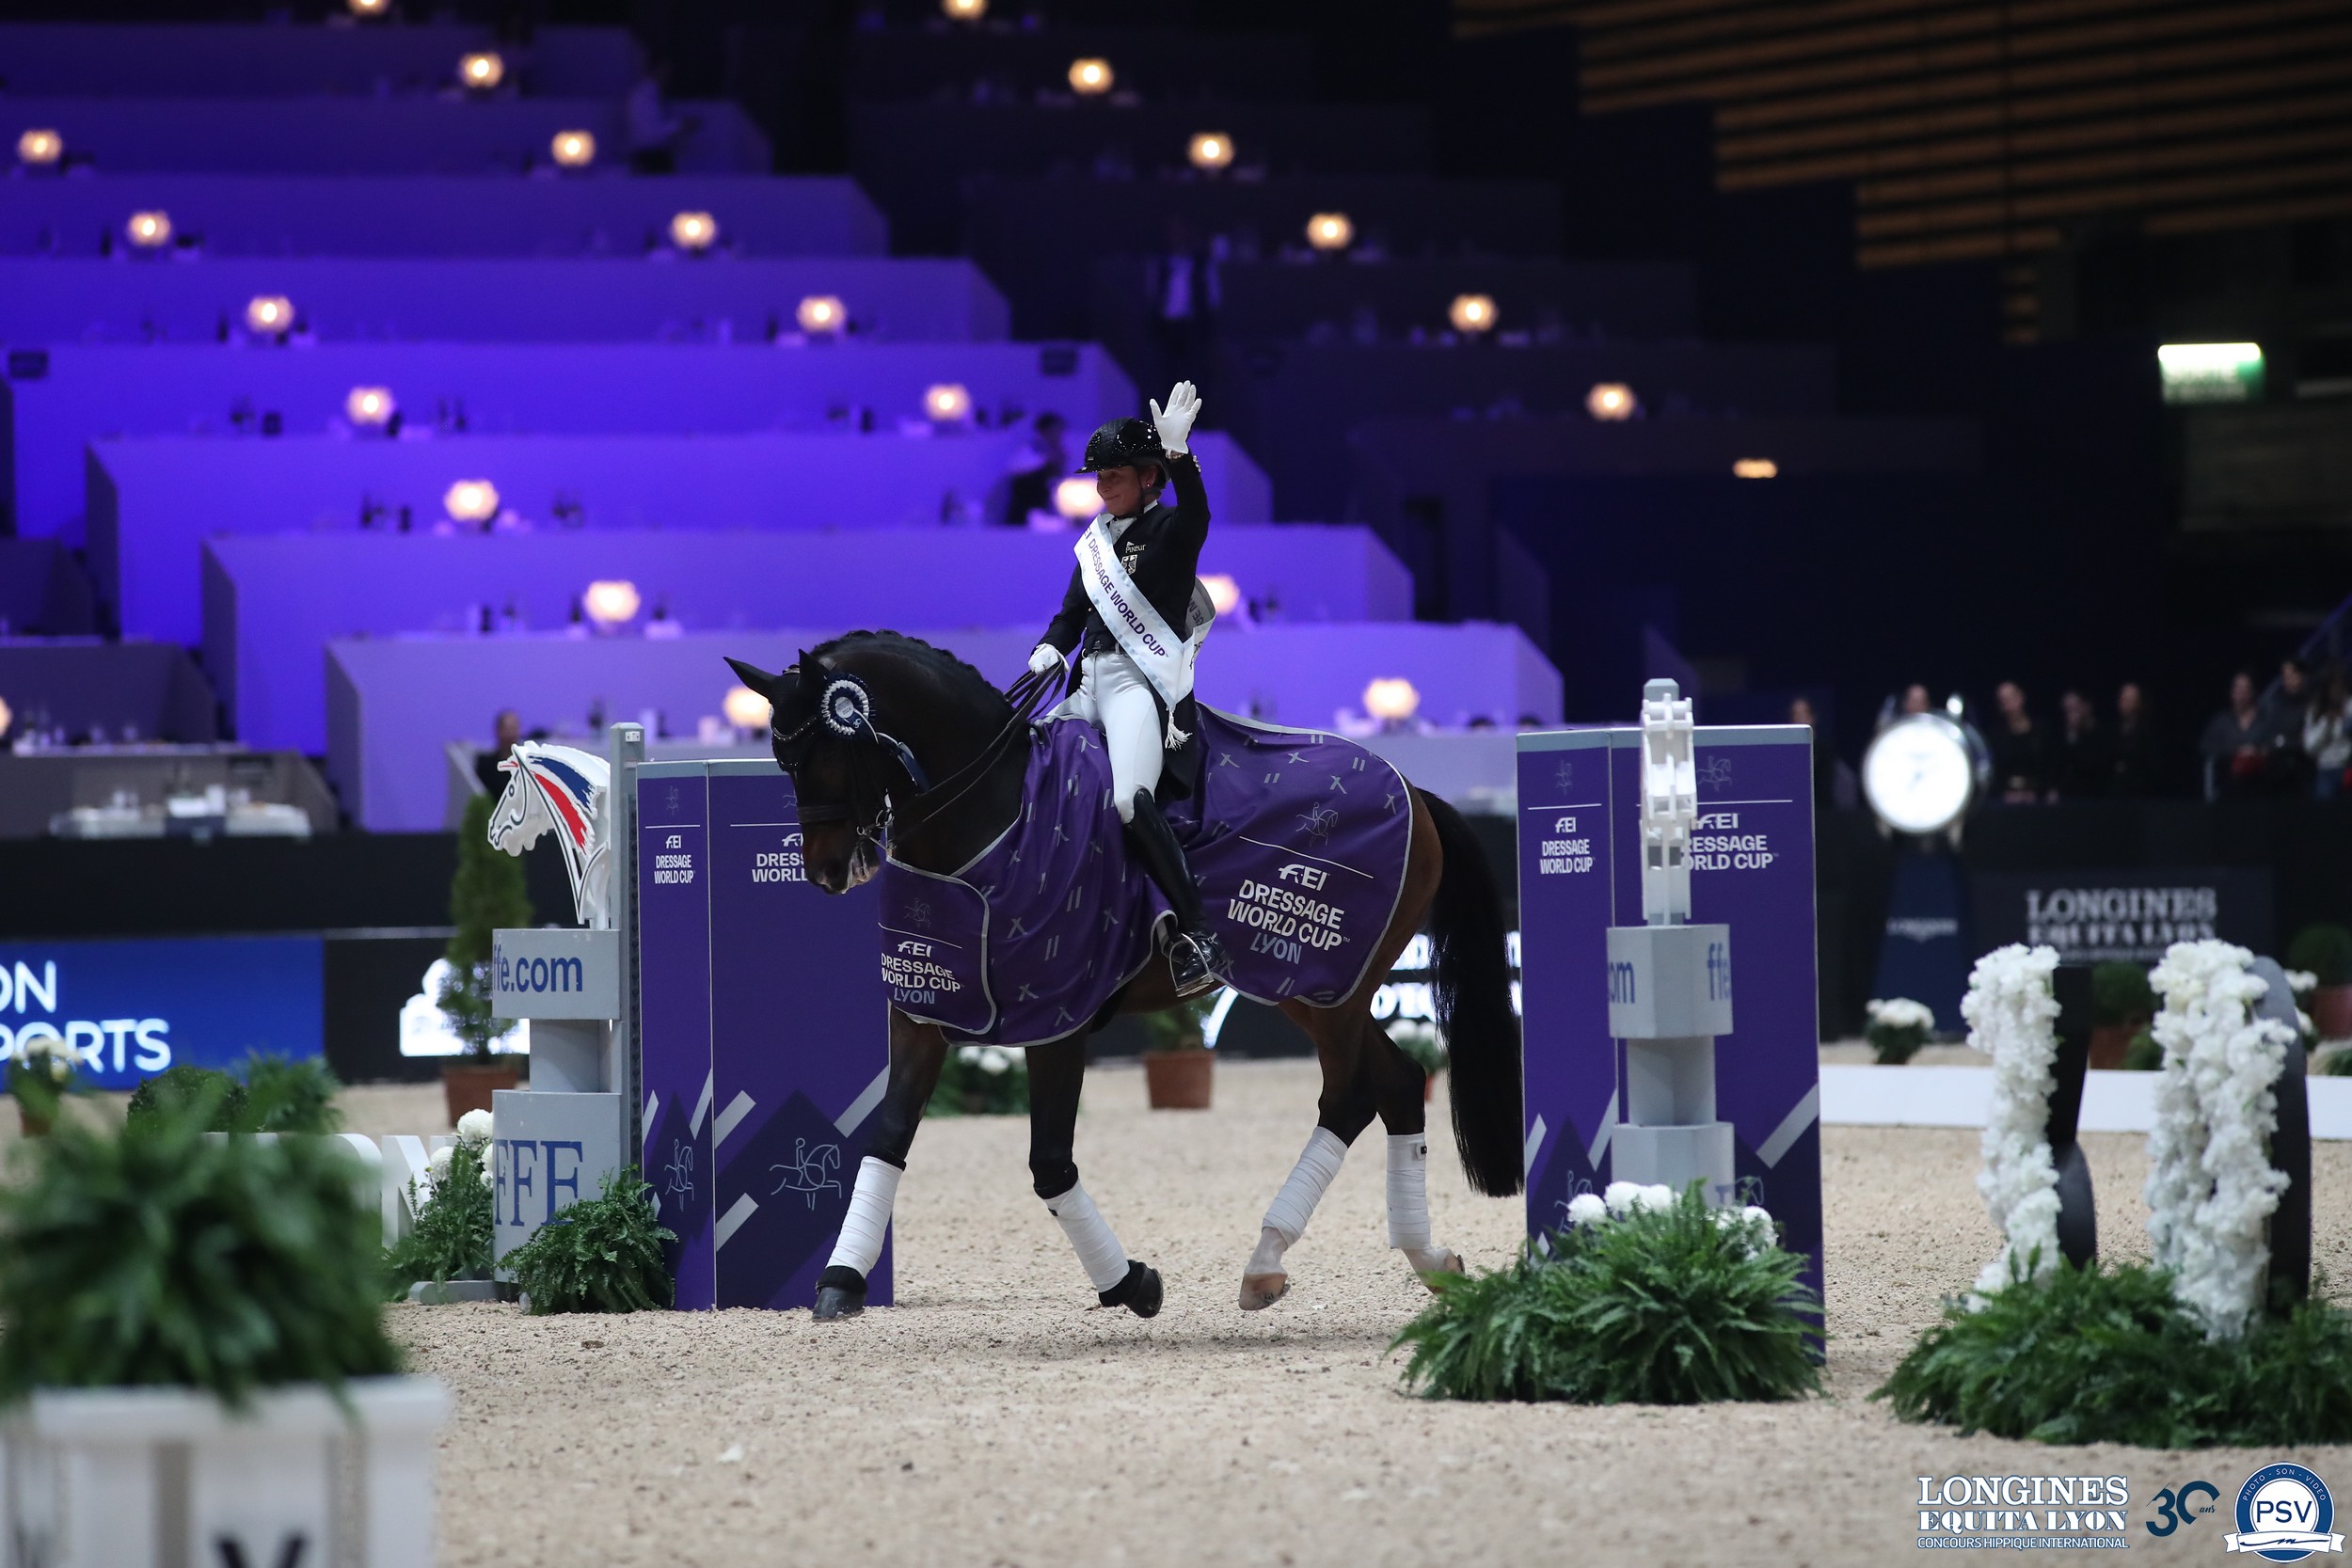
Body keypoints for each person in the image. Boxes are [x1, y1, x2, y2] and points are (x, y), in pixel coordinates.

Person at [1029, 382, 1230, 997]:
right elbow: (1070, 614)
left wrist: (1180, 456)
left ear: (1147, 478)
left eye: (1113, 476)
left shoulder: (1171, 529)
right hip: (1085, 678)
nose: (1101, 487)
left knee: (1127, 801)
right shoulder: (1096, 543)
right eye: (1098, 477)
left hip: (1136, 682)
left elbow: (1198, 513)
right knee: (1026, 770)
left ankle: (1197, 932)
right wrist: (1047, 648)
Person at [2199, 671, 2267, 800]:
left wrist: (2258, 752)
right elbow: (2205, 747)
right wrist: (2236, 752)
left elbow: (2272, 745)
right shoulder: (2221, 721)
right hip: (2227, 789)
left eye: (2245, 688)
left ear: (2252, 691)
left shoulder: (2263, 721)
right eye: (2237, 688)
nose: (2240, 693)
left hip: (2258, 787)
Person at [1000, 411, 1069, 529]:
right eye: (1055, 430)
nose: (1059, 434)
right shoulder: (1028, 451)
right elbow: (1015, 469)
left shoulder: (1060, 454)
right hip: (1022, 516)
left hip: (1046, 514)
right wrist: (1047, 460)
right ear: (1044, 431)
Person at [1789, 697, 1857, 811]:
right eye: (1796, 714)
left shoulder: (1825, 751)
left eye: (1804, 713)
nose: (1800, 718)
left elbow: (1828, 788)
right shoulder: (1786, 754)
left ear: (1812, 717)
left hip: (1823, 811)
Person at [1988, 681, 2047, 803]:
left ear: (2021, 697)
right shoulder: (1995, 736)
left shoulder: (2041, 731)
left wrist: (2041, 793)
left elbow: (2051, 767)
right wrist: (2004, 794)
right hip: (2006, 800)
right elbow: (1993, 772)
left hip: (2039, 799)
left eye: (2012, 698)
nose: (2009, 706)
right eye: (2003, 701)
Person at [2053, 688, 2112, 800]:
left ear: (2087, 706)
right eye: (2067, 710)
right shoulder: (2065, 736)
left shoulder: (2103, 734)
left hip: (2098, 797)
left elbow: (2094, 767)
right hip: (2070, 800)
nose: (2071, 715)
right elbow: (2059, 768)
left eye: (2075, 709)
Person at [2305, 664, 2351, 799]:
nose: (2336, 690)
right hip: (2325, 772)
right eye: (2332, 686)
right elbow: (2310, 747)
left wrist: (2346, 720)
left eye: (2339, 685)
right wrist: (2327, 723)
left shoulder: (2350, 706)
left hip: (2347, 769)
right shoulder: (2315, 711)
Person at [2110, 681, 2162, 797]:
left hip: (2139, 797)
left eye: (2129, 700)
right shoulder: (2111, 732)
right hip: (2113, 796)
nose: (2124, 703)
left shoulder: (2147, 734)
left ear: (2139, 703)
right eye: (2123, 699)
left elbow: (2153, 769)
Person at [474, 709, 521, 795]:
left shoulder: (525, 766)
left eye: (514, 729)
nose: (511, 734)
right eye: (508, 729)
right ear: (498, 731)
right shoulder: (485, 766)